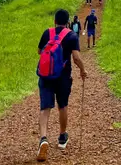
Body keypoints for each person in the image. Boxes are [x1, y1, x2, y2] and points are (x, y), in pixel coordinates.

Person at [36, 9, 87, 162]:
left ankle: (43, 139)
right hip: (63, 77)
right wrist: (83, 71)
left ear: (54, 20)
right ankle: (62, 137)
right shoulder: (71, 35)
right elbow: (76, 57)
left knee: (45, 108)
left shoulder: (47, 32)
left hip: (45, 76)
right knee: (62, 106)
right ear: (67, 22)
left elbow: (40, 51)